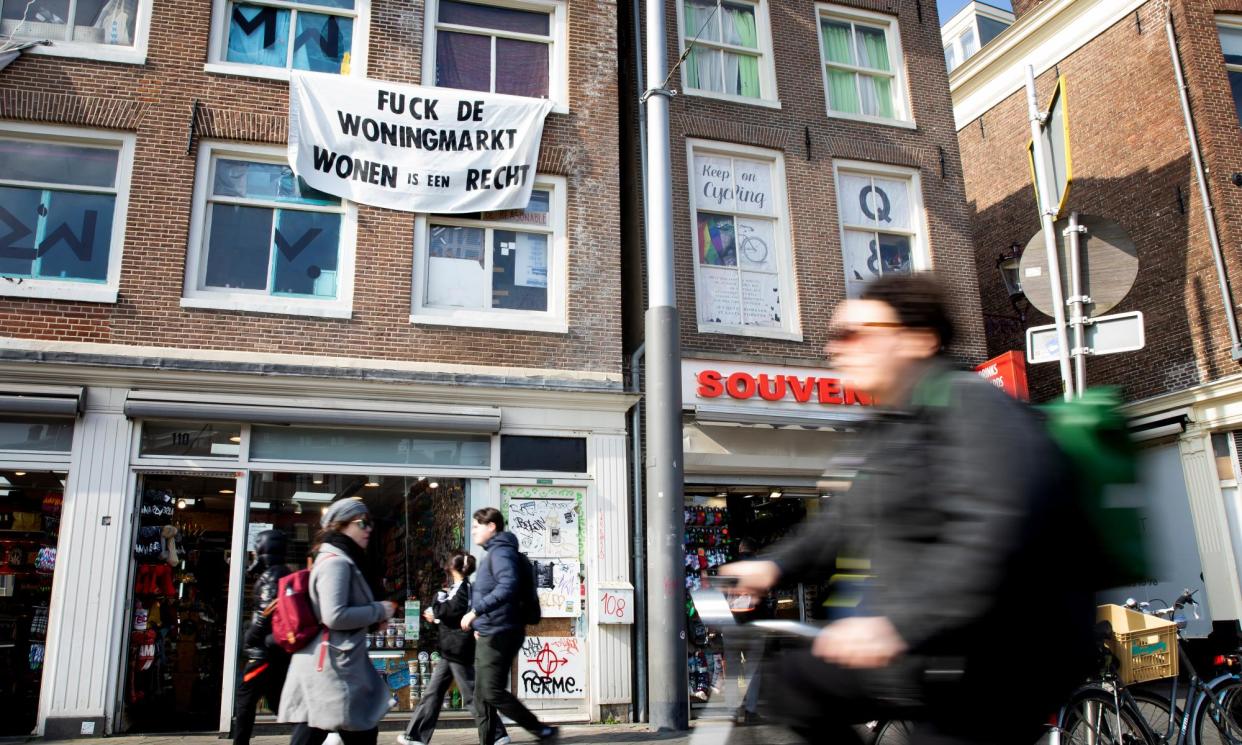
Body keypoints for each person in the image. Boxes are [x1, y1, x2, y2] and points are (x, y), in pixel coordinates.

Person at [722, 273, 1095, 745]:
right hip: (932, 648)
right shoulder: (889, 428)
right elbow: (842, 523)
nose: (836, 349)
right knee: (795, 684)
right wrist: (770, 566)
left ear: (918, 340)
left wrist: (899, 625)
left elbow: (997, 531)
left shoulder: (974, 405)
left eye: (855, 335)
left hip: (1004, 653)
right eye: (835, 337)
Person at [279, 497, 397, 745]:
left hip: (338, 663)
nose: (369, 529)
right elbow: (334, 615)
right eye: (362, 523)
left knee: (333, 729)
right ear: (341, 525)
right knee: (352, 730)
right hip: (334, 666)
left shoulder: (342, 559)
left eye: (370, 523)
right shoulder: (337, 563)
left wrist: (373, 620)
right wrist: (379, 610)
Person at [461, 507, 557, 745]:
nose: (473, 531)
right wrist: (479, 623)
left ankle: (541, 730)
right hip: (493, 629)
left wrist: (476, 611)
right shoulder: (496, 552)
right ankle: (490, 740)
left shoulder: (500, 552)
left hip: (500, 631)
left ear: (491, 526)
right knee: (483, 694)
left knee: (490, 691)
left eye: (476, 526)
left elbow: (508, 585)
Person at [397, 552, 509, 745]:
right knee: (434, 692)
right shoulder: (460, 588)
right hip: (451, 650)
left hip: (457, 650)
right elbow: (453, 613)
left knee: (471, 695)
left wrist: (436, 607)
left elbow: (451, 610)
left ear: (453, 568)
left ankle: (497, 734)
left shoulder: (463, 589)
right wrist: (439, 612)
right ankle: (415, 736)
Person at [233, 529, 293, 745]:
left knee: (245, 700)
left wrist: (250, 637)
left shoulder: (271, 577)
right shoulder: (280, 573)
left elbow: (265, 613)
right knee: (278, 702)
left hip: (262, 654)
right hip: (273, 652)